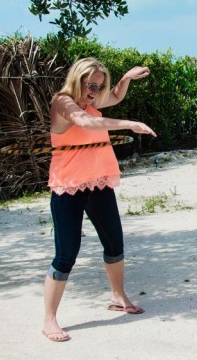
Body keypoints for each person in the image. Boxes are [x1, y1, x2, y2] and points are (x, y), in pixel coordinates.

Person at [42, 57, 157, 342]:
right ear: (77, 79)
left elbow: (115, 96)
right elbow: (86, 122)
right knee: (66, 253)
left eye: (99, 86)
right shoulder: (64, 103)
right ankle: (49, 319)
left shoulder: (91, 102)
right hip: (68, 188)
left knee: (114, 243)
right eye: (90, 84)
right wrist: (130, 124)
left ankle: (117, 296)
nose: (95, 91)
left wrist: (126, 77)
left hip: (99, 183)